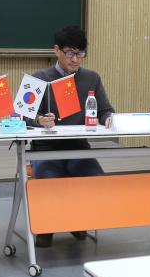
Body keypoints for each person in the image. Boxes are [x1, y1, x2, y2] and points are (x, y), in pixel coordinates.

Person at [28, 25, 115, 247]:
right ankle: (46, 227)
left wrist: (108, 118)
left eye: (80, 53)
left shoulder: (91, 78)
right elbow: (20, 115)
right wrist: (39, 120)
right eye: (70, 53)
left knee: (95, 180)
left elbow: (105, 109)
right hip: (45, 150)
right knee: (50, 182)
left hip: (78, 148)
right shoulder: (39, 78)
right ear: (56, 50)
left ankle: (76, 220)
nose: (75, 59)